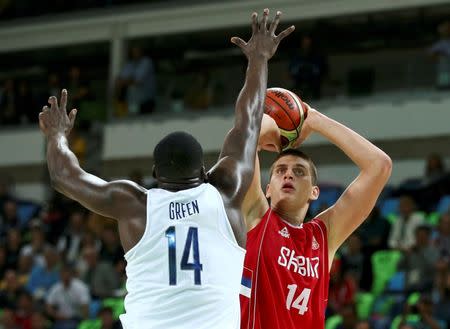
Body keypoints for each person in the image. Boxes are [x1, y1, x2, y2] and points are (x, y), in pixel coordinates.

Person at [38, 9, 294, 329]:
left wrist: (57, 136)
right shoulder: (226, 192)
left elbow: (64, 176)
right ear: (203, 170)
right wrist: (259, 59)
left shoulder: (135, 204)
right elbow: (249, 120)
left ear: (156, 175)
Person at [240, 105, 392, 328]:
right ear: (268, 189)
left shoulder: (323, 237)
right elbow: (244, 138)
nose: (289, 174)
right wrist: (268, 130)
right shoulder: (255, 216)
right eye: (280, 170)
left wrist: (313, 118)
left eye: (299, 172)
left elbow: (379, 165)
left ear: (314, 192)